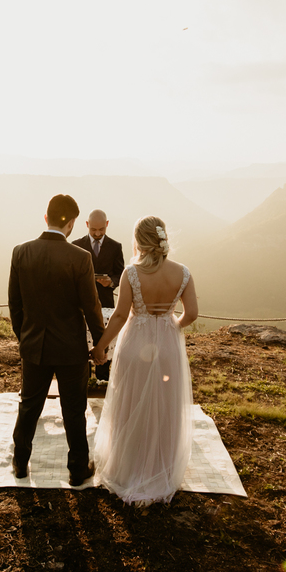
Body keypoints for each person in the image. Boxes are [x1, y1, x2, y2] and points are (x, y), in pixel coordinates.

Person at [90, 216, 199, 505]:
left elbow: (120, 315)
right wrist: (171, 324)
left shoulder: (131, 273)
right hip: (167, 343)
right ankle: (159, 468)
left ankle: (128, 468)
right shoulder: (183, 272)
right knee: (165, 405)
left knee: (129, 401)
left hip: (136, 343)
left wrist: (101, 347)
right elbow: (192, 314)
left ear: (138, 242)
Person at [8, 194, 106, 485]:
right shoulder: (80, 257)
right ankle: (77, 469)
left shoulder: (21, 252)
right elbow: (91, 306)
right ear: (73, 223)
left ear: (46, 217)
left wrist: (24, 337)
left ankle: (20, 462)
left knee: (29, 405)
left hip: (34, 345)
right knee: (74, 409)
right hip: (71, 348)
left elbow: (15, 304)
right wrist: (99, 346)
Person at [71, 209, 124, 382]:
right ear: (87, 225)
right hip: (80, 304)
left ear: (107, 225)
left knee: (104, 339)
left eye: (101, 229)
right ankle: (82, 380)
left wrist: (111, 281)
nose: (97, 233)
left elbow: (121, 274)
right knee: (80, 343)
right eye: (93, 229)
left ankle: (103, 380)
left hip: (105, 303)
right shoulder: (75, 245)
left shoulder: (116, 247)